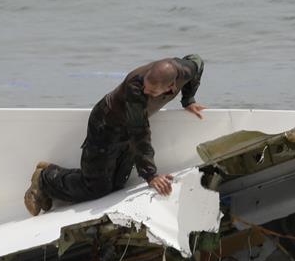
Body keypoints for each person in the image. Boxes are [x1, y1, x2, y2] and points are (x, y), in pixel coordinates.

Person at [24, 54, 206, 216]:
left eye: (151, 92)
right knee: (96, 188)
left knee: (118, 185)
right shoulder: (135, 88)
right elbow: (139, 132)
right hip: (105, 125)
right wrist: (151, 175)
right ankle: (45, 178)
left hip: (129, 129)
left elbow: (198, 61)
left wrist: (188, 100)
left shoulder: (186, 69)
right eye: (146, 86)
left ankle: (55, 178)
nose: (146, 91)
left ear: (171, 86)